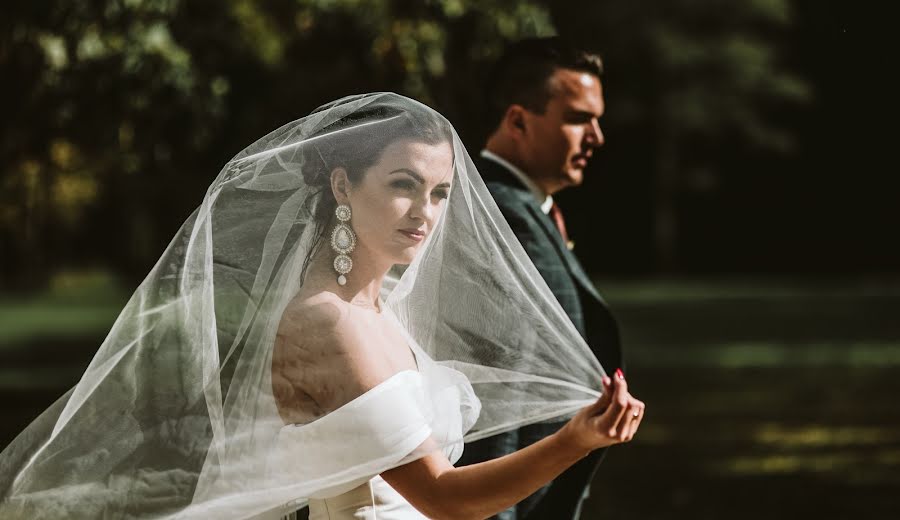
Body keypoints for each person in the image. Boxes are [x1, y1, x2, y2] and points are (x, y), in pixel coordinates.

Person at [0, 93, 643, 520]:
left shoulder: (376, 310)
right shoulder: (328, 326)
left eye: (441, 193)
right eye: (402, 186)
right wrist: (575, 440)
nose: (425, 213)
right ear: (342, 184)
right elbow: (446, 497)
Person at [456, 38, 622, 520]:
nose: (597, 136)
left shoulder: (529, 208)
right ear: (518, 121)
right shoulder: (498, 214)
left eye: (597, 119)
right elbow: (499, 385)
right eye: (578, 118)